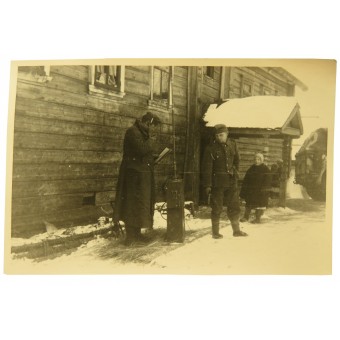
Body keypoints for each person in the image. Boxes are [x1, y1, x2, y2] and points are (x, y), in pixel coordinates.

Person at [113, 112, 161, 245]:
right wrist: (152, 141)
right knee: (131, 204)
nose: (154, 129)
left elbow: (143, 153)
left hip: (141, 175)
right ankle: (130, 237)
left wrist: (153, 158)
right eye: (154, 126)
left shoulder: (141, 133)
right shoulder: (133, 132)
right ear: (148, 123)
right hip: (132, 176)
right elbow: (141, 149)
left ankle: (137, 234)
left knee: (140, 204)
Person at [201, 124, 248, 239]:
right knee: (217, 207)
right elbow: (207, 168)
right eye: (217, 136)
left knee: (234, 206)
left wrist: (235, 171)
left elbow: (237, 160)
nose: (219, 138)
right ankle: (215, 232)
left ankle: (236, 230)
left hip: (231, 181)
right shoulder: (210, 148)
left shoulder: (233, 144)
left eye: (221, 135)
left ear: (227, 134)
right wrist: (208, 185)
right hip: (217, 183)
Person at [239, 153, 272, 223]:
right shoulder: (252, 168)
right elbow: (246, 179)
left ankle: (257, 218)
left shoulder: (265, 169)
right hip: (251, 190)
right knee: (248, 203)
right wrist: (244, 190)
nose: (257, 161)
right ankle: (246, 217)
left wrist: (264, 190)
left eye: (259, 159)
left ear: (261, 160)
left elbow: (267, 181)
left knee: (259, 205)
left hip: (260, 191)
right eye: (255, 159)